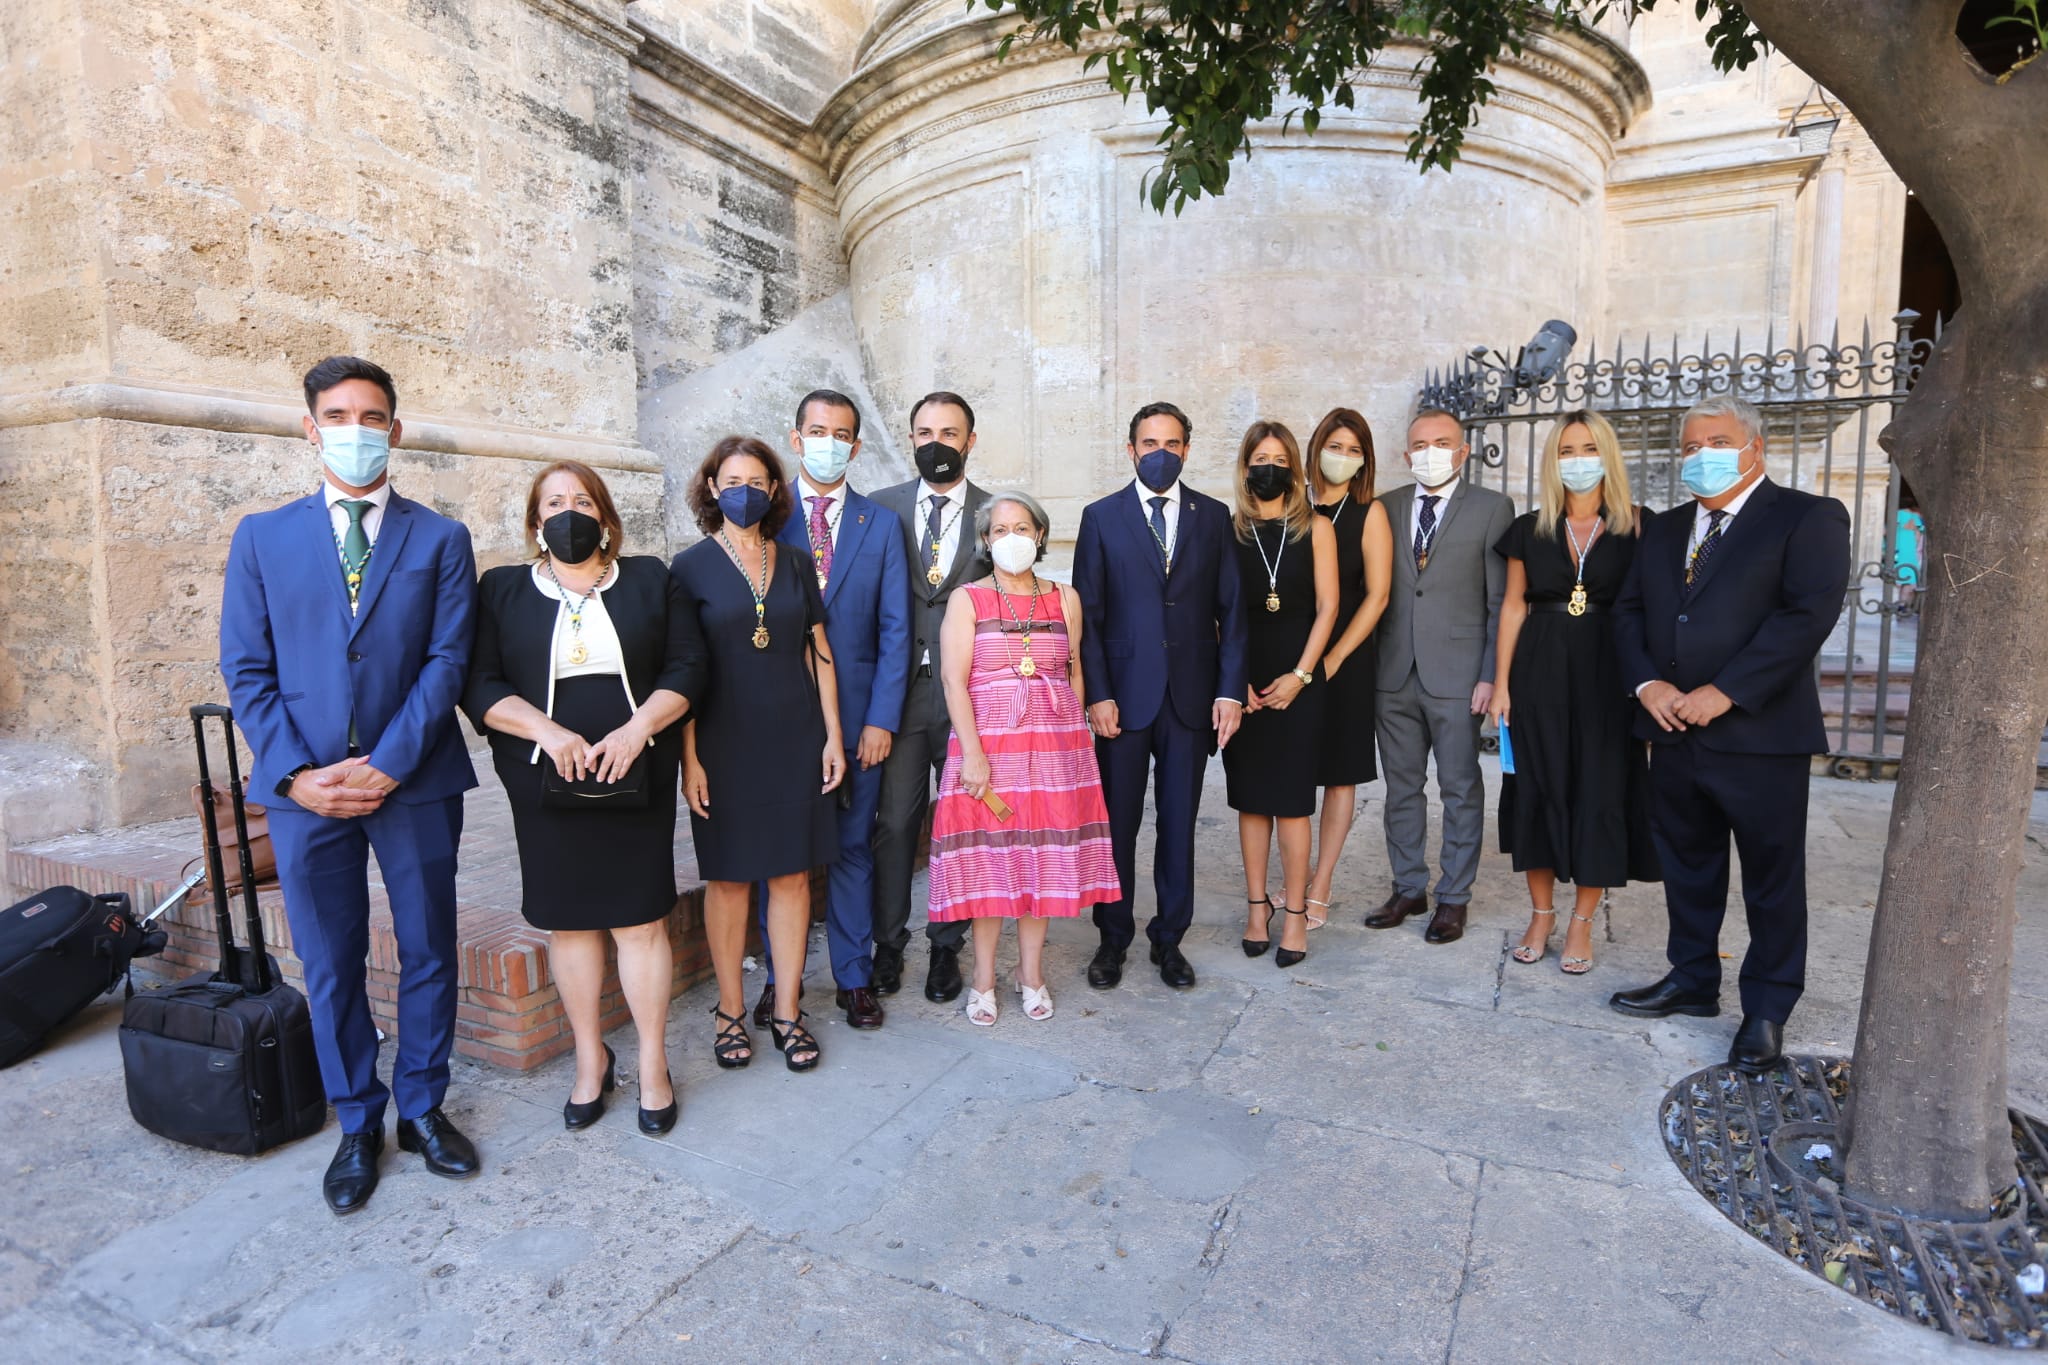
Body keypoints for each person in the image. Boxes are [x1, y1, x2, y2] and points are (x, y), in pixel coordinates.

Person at [220, 355, 479, 1215]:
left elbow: (447, 663)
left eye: (372, 416)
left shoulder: (440, 539)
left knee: (428, 946)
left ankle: (423, 1107)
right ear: (309, 427)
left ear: (395, 431)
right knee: (329, 960)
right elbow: (247, 669)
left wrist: (388, 762)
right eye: (338, 415)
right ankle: (358, 1121)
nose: (356, 430)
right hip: (306, 794)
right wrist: (295, 775)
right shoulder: (262, 536)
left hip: (413, 780)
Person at [1611, 394, 1850, 1075]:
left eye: (1714, 440)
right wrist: (1647, 684)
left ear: (1755, 448)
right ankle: (1691, 979)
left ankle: (1768, 1009)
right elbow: (1628, 614)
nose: (1699, 455)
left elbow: (1806, 616)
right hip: (1673, 728)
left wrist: (1727, 691)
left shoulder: (1806, 517)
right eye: (1688, 446)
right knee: (1689, 864)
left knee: (1772, 878)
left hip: (1760, 735)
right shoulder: (1663, 530)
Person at [462, 461, 700, 1134]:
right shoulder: (502, 590)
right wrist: (547, 730)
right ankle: (590, 1057)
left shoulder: (652, 578)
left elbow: (688, 665)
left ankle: (653, 1062)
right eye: (555, 502)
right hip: (544, 779)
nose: (571, 511)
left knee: (639, 919)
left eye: (584, 500)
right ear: (536, 522)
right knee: (569, 921)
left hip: (637, 771)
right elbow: (477, 683)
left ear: (605, 514)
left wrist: (638, 728)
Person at [670, 437, 845, 1074]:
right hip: (723, 741)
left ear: (774, 491)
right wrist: (691, 759)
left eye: (759, 480)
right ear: (713, 487)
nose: (745, 489)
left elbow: (817, 654)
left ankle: (789, 1010)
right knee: (730, 880)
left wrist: (832, 735)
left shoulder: (796, 563)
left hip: (797, 737)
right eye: (732, 478)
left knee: (794, 877)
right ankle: (729, 1010)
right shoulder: (686, 568)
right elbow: (681, 673)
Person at [1073, 401, 1250, 990]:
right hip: (1122, 700)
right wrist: (1096, 694)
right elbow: (1088, 619)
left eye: (1172, 444)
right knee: (1117, 824)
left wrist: (1229, 692)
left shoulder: (1212, 516)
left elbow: (1233, 613)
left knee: (1179, 824)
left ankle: (1169, 939)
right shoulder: (1101, 518)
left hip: (1190, 700)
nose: (1160, 454)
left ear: (1187, 451)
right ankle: (1112, 938)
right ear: (1131, 450)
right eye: (1150, 444)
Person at [748, 389, 909, 1032]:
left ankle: (853, 977)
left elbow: (897, 630)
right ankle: (777, 982)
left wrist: (881, 720)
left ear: (857, 446)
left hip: (862, 715)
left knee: (850, 849)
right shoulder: (762, 518)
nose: (829, 442)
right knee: (780, 858)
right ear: (795, 438)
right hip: (779, 721)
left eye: (842, 434)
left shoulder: (880, 526)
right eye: (818, 430)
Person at [928, 493, 1120, 1024]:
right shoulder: (968, 599)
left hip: (1056, 752)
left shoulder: (1065, 598)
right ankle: (986, 977)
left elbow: (1073, 669)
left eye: (1022, 526)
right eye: (999, 530)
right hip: (991, 749)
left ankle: (1030, 972)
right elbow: (952, 679)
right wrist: (972, 756)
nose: (1011, 537)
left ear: (1039, 534)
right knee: (993, 864)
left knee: (1045, 864)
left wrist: (1076, 743)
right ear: (985, 542)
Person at [1487, 411, 1660, 976]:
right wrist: (1502, 684)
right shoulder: (1531, 527)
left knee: (1599, 792)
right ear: (1552, 461)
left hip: (1609, 674)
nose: (1577, 460)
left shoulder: (1638, 525)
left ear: (1607, 455)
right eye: (1566, 451)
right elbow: (1513, 606)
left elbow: (1652, 609)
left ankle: (1583, 921)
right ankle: (1541, 914)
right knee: (1536, 788)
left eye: (1588, 448)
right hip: (1538, 668)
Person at [1368, 408, 1515, 945]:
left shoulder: (1493, 508)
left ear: (1463, 450)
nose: (1429, 452)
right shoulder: (1384, 507)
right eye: (1420, 444)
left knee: (1459, 788)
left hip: (1458, 676)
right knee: (1401, 788)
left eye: (1442, 442)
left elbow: (1499, 601)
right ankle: (1409, 886)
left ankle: (1455, 897)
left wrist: (1490, 675)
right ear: (1407, 455)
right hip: (1393, 672)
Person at [870, 393, 993, 1004]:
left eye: (950, 431)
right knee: (895, 823)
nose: (936, 442)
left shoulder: (996, 515)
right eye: (924, 432)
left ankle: (947, 946)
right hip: (900, 695)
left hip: (969, 697)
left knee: (961, 825)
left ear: (971, 440)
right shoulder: (879, 509)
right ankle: (888, 945)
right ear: (910, 439)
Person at [1224, 422, 1339, 967]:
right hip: (1246, 680)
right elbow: (1218, 612)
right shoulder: (1231, 530)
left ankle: (1294, 913)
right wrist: (1233, 679)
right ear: (1246, 468)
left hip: (1299, 679)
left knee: (1293, 805)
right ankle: (1255, 908)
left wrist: (1302, 674)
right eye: (1258, 458)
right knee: (1251, 801)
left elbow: (1329, 608)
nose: (1268, 467)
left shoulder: (1316, 527)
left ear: (1293, 466)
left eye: (1278, 458)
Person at [1302, 408, 1394, 930]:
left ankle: (1322, 882)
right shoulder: (1295, 508)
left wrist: (1332, 660)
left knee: (1339, 776)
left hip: (1344, 662)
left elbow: (1378, 595)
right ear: (1315, 450)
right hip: (1295, 657)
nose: (1343, 457)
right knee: (1294, 770)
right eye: (1335, 446)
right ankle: (1296, 872)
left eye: (1354, 450)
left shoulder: (1369, 513)